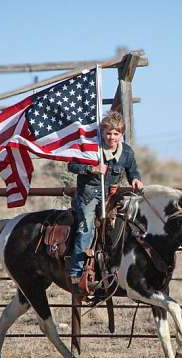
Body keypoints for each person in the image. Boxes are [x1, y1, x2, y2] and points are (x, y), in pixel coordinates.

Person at [67, 111, 143, 289]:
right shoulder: (92, 148)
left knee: (121, 227)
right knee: (86, 227)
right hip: (88, 194)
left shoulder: (127, 153)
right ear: (102, 133)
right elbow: (71, 165)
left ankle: (113, 267)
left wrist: (135, 179)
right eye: (108, 133)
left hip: (111, 196)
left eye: (116, 134)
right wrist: (91, 168)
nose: (112, 137)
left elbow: (133, 170)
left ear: (121, 134)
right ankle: (76, 272)